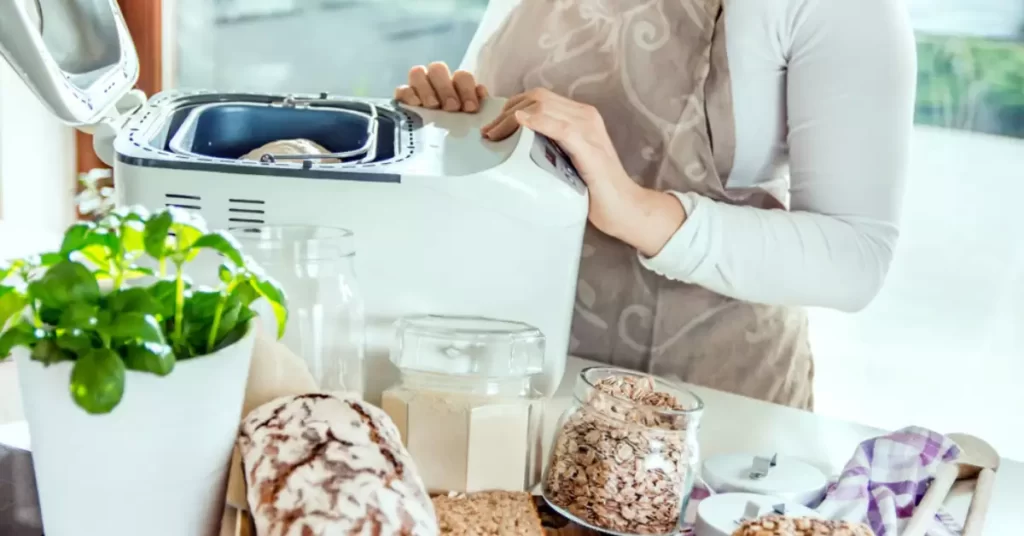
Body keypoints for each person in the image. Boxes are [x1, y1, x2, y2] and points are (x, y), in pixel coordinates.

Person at [393, 0, 917, 410]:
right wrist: (453, 123)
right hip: (505, 385)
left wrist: (635, 210)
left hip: (705, 413)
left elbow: (856, 258)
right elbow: (508, 143)